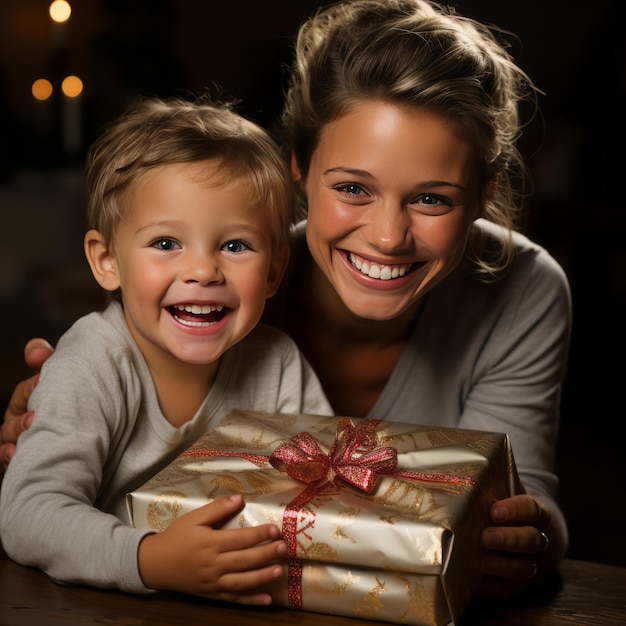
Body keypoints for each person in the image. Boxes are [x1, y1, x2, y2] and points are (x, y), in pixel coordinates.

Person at [2, 0, 571, 602]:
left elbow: (352, 492)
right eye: (353, 187)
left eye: (432, 199)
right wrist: (57, 418)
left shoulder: (274, 352)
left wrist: (523, 537)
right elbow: (36, 507)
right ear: (300, 168)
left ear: (485, 194)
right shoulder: (202, 303)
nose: (386, 235)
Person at [0, 95, 333, 604]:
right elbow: (27, 514)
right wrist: (150, 560)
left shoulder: (279, 361)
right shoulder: (92, 361)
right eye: (165, 243)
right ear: (107, 260)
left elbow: (325, 486)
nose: (203, 270)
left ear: (273, 271)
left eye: (235, 246)